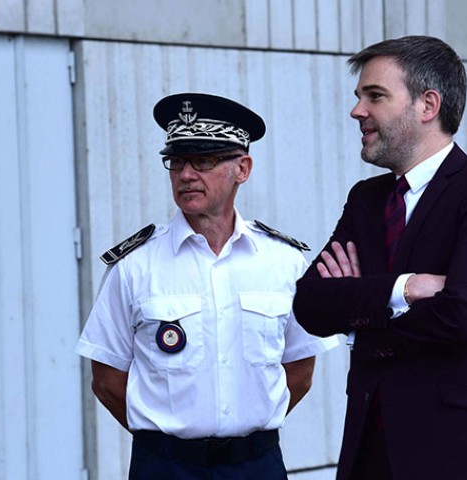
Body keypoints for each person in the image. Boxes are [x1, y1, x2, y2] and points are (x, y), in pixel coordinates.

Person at [292, 36, 467, 479]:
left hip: (465, 455)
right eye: (359, 97)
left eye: (375, 96)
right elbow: (310, 304)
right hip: (372, 454)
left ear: (428, 105)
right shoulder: (367, 200)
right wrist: (405, 288)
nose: (357, 111)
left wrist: (358, 316)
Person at [76, 92, 339, 479]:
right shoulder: (135, 265)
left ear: (243, 168)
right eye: (176, 161)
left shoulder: (284, 262)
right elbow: (107, 380)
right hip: (165, 467)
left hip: (256, 465)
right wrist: (170, 441)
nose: (185, 174)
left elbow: (299, 370)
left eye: (204, 160)